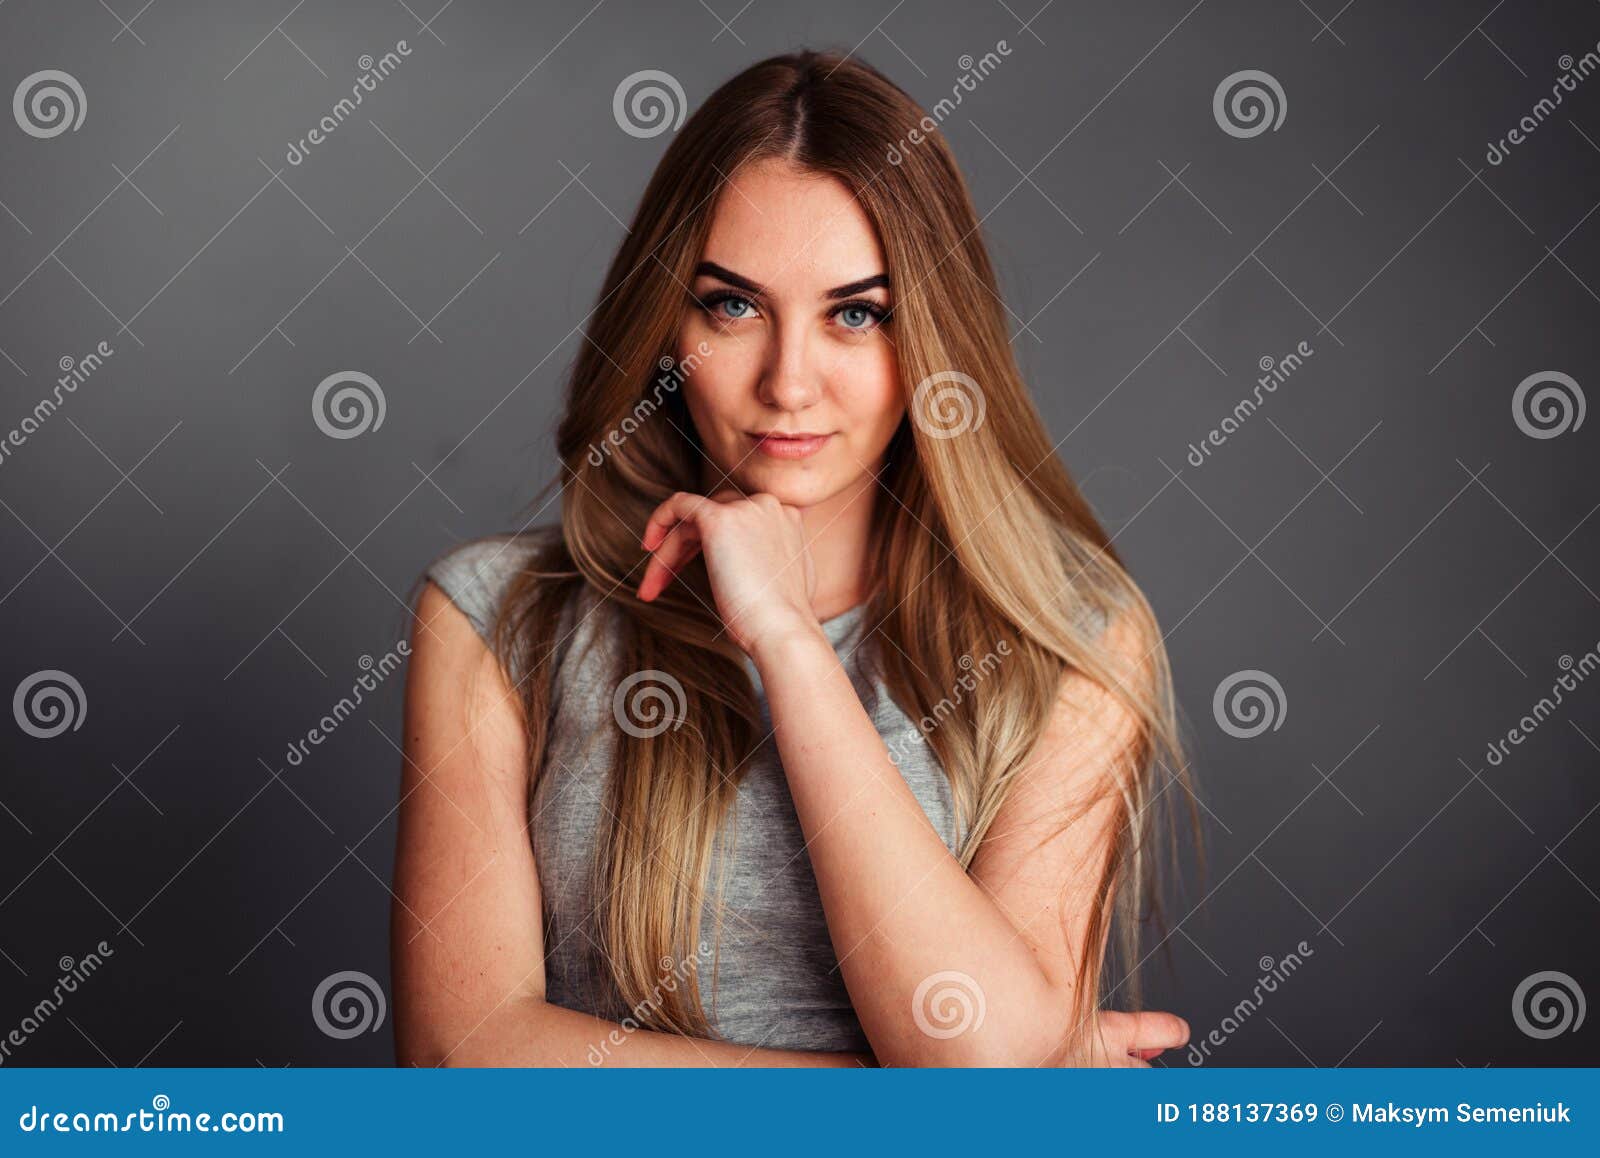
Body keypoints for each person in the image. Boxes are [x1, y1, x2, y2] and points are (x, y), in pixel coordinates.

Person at [391, 49, 1193, 1067]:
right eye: (732, 305)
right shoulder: (496, 617)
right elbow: (462, 1058)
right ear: (665, 325)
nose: (789, 382)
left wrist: (787, 643)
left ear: (932, 339)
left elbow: (980, 1051)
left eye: (855, 314)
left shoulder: (1070, 638)